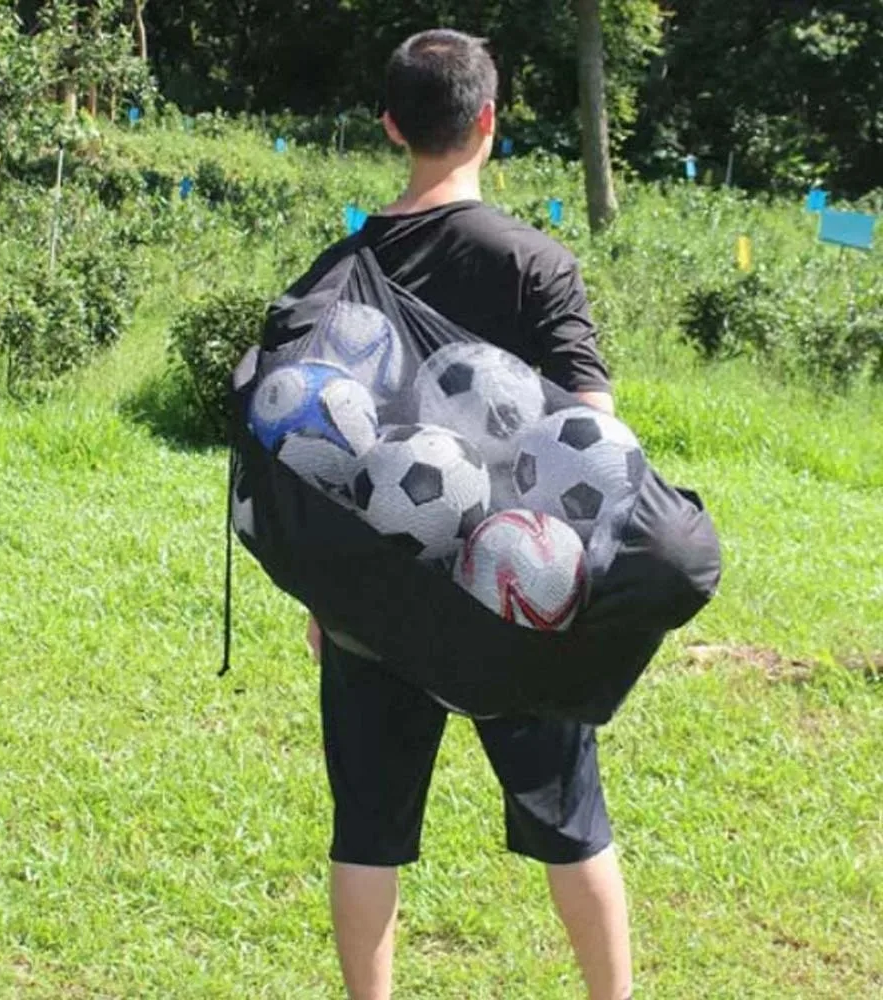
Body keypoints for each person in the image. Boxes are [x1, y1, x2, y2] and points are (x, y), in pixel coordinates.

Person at [306, 29, 632, 1000]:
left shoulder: (342, 266)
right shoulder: (536, 264)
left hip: (377, 598)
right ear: (489, 123)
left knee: (366, 829)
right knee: (573, 820)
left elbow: (318, 451)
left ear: (392, 126)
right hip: (513, 591)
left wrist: (325, 593)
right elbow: (592, 436)